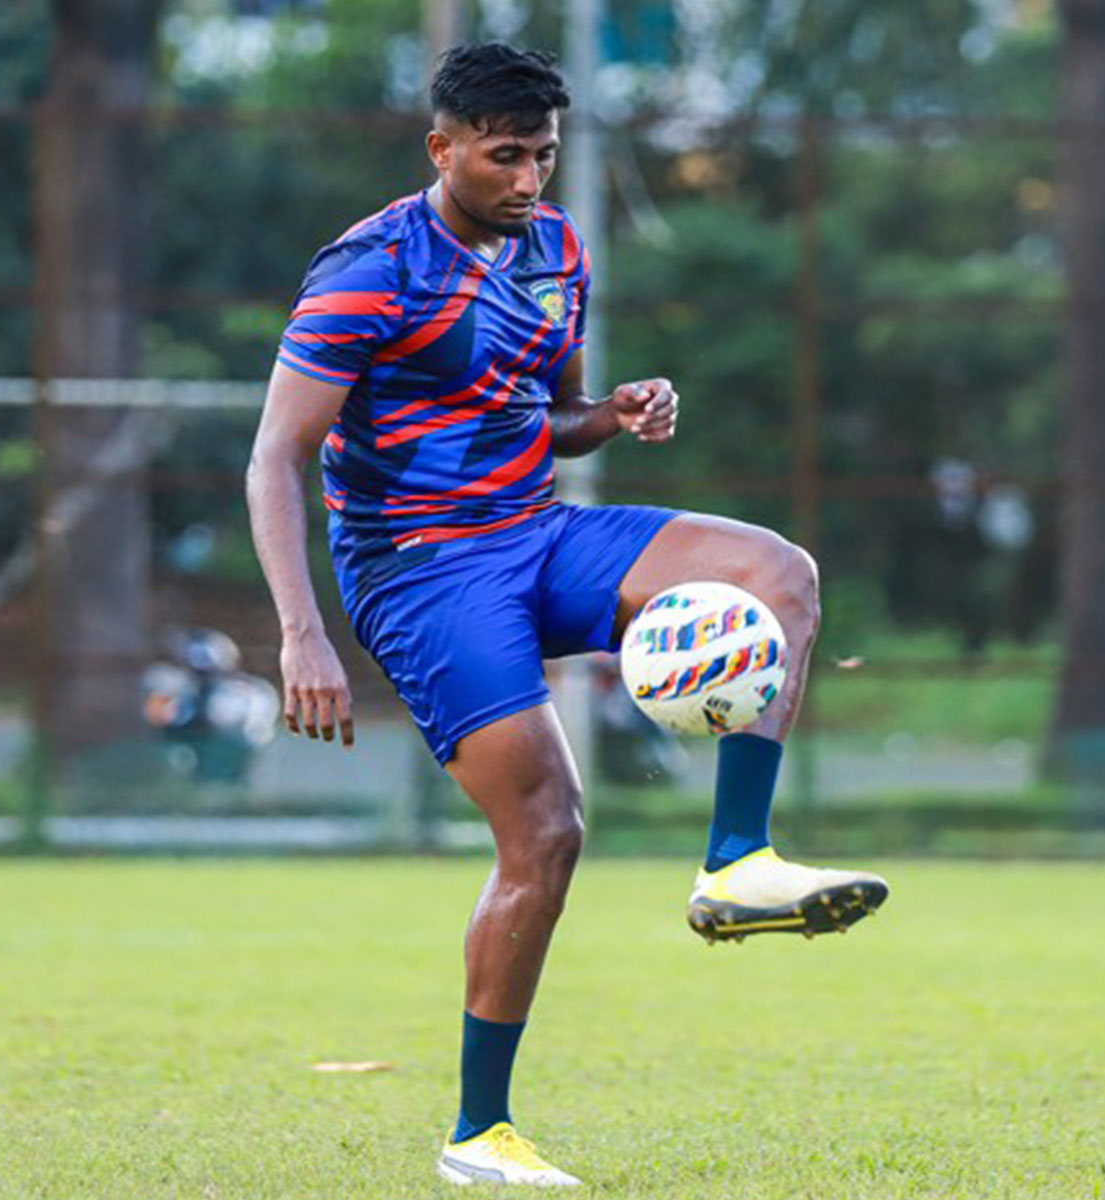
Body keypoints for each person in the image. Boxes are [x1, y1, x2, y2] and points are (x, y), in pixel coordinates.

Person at [246, 42, 889, 1189]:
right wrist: (303, 632)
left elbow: (549, 417)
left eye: (542, 155)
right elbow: (274, 458)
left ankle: (735, 862)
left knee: (777, 573)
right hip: (422, 570)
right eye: (503, 157)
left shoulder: (554, 248)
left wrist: (616, 412)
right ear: (440, 148)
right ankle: (477, 1134)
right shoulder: (366, 271)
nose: (528, 180)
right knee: (545, 836)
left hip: (535, 534)